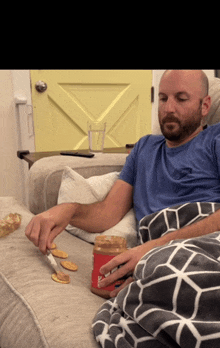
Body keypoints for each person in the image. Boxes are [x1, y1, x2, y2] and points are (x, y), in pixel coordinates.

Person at [25, 70, 220, 297]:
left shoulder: (214, 141)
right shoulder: (144, 149)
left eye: (181, 98)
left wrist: (152, 249)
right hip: (158, 260)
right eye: (163, 98)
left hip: (201, 249)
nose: (168, 108)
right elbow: (107, 213)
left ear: (205, 106)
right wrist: (68, 211)